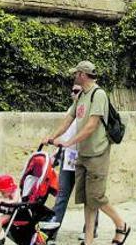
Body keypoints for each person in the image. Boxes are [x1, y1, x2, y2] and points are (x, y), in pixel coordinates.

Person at [41, 60, 131, 245]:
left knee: (96, 197)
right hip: (83, 154)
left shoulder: (98, 95)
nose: (74, 76)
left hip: (97, 153)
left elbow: (91, 126)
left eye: (76, 74)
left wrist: (68, 142)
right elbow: (69, 119)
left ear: (82, 74)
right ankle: (88, 240)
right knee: (87, 200)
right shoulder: (82, 95)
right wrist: (51, 137)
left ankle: (121, 225)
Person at [40, 85, 99, 243]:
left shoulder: (90, 110)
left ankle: (91, 228)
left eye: (77, 91)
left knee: (89, 195)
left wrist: (65, 142)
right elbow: (66, 130)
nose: (73, 94)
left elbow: (87, 132)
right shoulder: (71, 110)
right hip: (69, 157)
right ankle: (53, 230)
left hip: (85, 157)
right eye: (72, 91)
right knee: (61, 195)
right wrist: (53, 143)